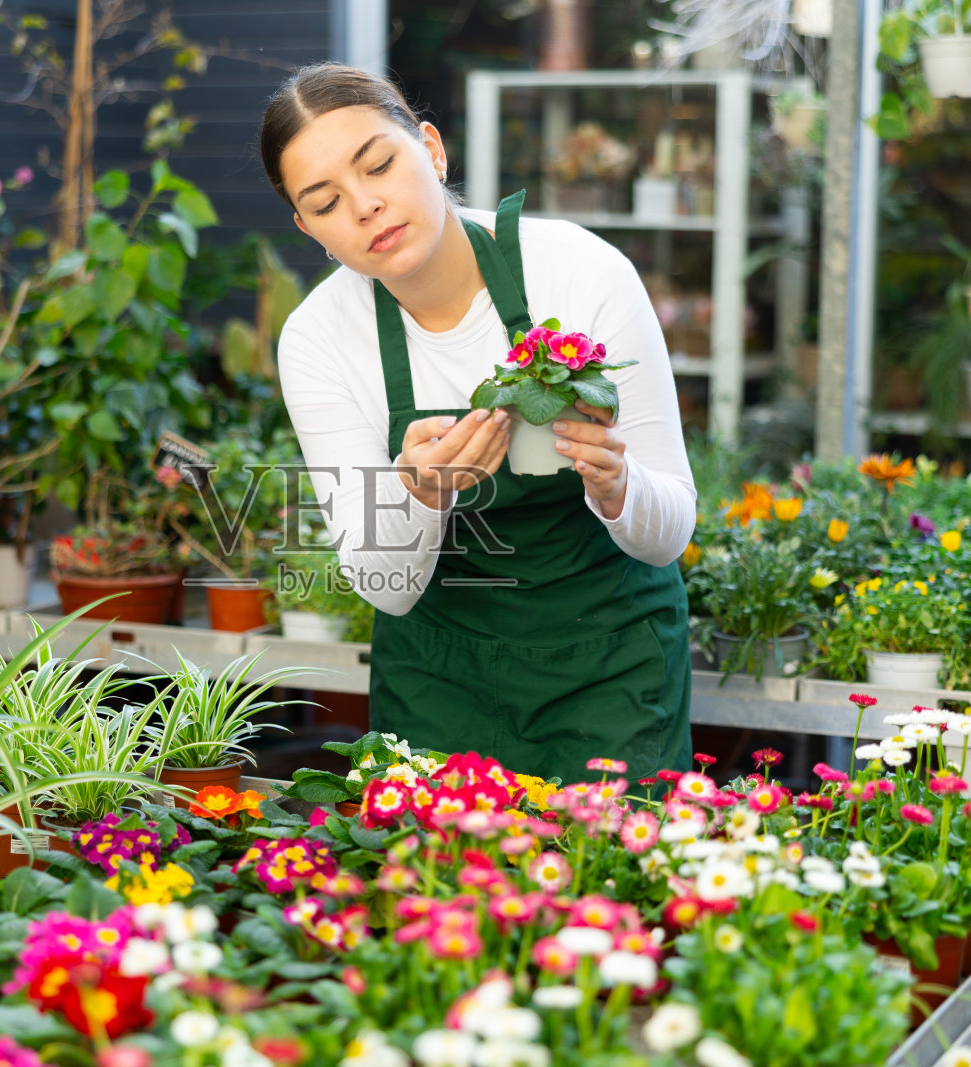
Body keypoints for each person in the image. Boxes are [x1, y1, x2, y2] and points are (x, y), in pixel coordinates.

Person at [260, 63, 696, 783]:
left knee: (610, 888)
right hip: (441, 683)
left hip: (612, 668)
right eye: (327, 200)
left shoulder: (582, 272)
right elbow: (385, 586)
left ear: (431, 149)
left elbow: (671, 530)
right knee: (440, 890)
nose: (366, 206)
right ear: (309, 228)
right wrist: (424, 496)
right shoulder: (319, 339)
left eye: (379, 164)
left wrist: (617, 484)